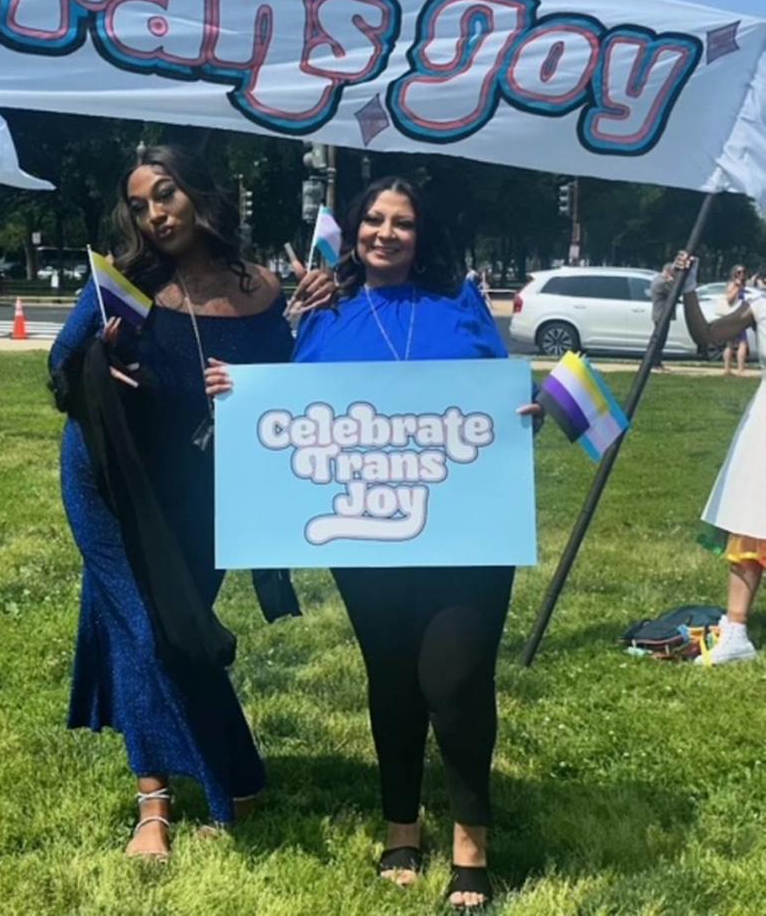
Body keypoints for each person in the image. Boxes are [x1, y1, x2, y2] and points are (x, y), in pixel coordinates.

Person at [233, 177, 539, 910]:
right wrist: (234, 393)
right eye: (373, 218)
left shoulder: (461, 303)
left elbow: (497, 397)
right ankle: (402, 824)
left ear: (422, 233)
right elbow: (288, 411)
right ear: (356, 228)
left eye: (402, 222)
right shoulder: (324, 315)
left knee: (456, 683)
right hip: (364, 530)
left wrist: (522, 410)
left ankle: (472, 843)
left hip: (466, 530)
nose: (385, 233)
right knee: (393, 679)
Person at [48, 144, 332, 858]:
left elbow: (287, 393)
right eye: (139, 205)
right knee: (149, 630)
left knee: (186, 631)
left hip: (207, 488)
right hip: (113, 483)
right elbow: (59, 372)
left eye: (165, 195)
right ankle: (157, 805)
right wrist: (100, 364)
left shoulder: (262, 291)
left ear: (202, 195)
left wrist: (323, 309)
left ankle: (240, 772)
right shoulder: (121, 284)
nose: (153, 215)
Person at [678, 252, 765, 664]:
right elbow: (707, 336)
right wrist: (689, 288)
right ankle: (736, 629)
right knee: (754, 520)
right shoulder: (761, 307)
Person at [720, 264, 750, 376]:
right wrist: (737, 288)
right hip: (734, 315)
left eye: (743, 272)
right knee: (739, 343)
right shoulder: (733, 284)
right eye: (739, 272)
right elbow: (729, 300)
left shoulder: (742, 285)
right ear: (734, 273)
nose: (742, 274)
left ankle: (731, 368)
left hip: (739, 315)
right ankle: (735, 369)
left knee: (734, 343)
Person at [649, 262, 676, 370]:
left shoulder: (656, 280)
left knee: (658, 339)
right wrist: (671, 282)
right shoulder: (662, 282)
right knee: (659, 340)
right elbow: (674, 293)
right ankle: (656, 363)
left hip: (659, 314)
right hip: (662, 314)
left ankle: (655, 362)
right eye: (674, 272)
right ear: (669, 271)